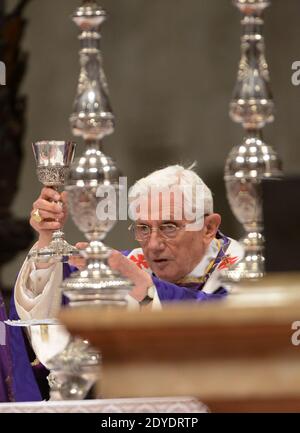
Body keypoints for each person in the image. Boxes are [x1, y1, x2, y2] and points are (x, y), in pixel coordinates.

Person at [9, 164, 243, 401]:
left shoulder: (248, 272)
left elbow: (238, 337)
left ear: (209, 228)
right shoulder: (126, 266)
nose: (153, 245)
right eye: (143, 228)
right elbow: (49, 313)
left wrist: (147, 290)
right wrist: (48, 240)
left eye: (169, 227)